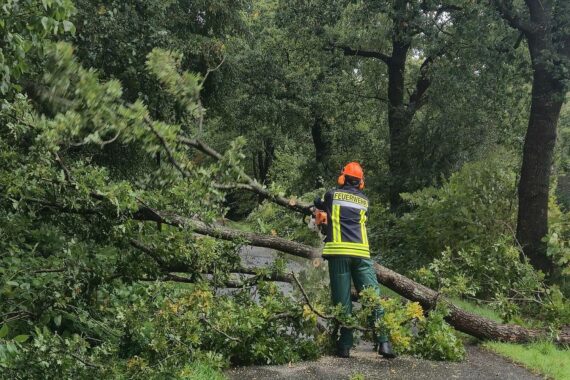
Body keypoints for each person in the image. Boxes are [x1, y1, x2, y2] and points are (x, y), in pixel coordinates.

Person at [313, 162, 395, 359]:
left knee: (343, 300)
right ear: (360, 183)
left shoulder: (332, 195)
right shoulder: (364, 201)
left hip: (339, 253)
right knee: (371, 297)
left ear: (342, 178)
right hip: (361, 254)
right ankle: (384, 342)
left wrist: (316, 203)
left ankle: (345, 346)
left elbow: (320, 204)